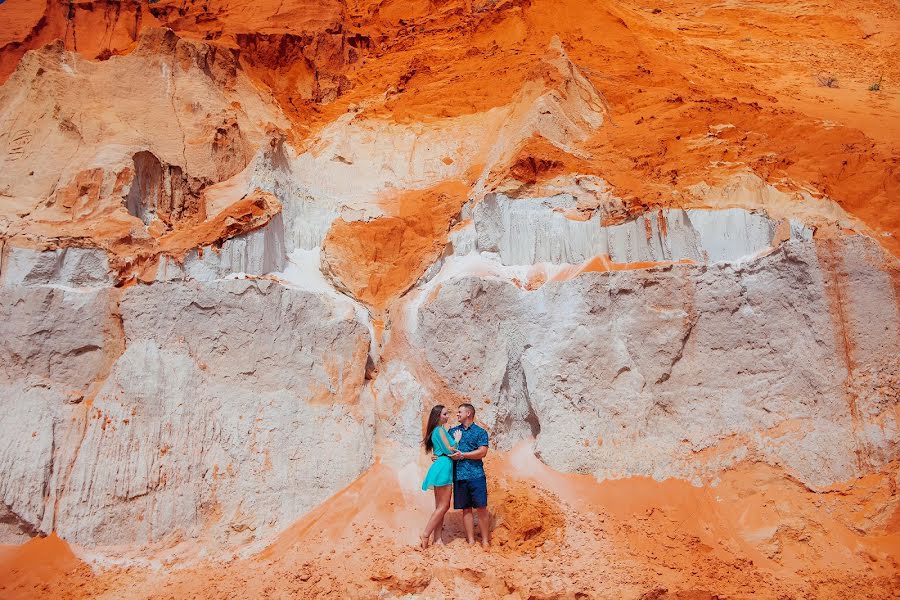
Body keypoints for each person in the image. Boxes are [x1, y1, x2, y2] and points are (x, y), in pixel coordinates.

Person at [448, 403, 491, 548]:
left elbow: (482, 452)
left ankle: (485, 540)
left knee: (481, 507)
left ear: (468, 413)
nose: (457, 414)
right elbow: (447, 448)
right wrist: (437, 456)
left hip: (476, 475)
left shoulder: (480, 432)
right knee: (465, 508)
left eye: (459, 412)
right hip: (459, 476)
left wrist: (463, 455)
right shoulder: (453, 431)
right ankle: (471, 540)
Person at [420, 405, 462, 548]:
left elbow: (440, 450)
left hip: (441, 465)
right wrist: (457, 439)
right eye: (445, 414)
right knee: (444, 506)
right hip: (444, 467)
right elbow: (450, 450)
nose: (447, 416)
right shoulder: (439, 430)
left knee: (439, 506)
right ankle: (426, 534)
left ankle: (437, 539)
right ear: (438, 416)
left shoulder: (437, 431)